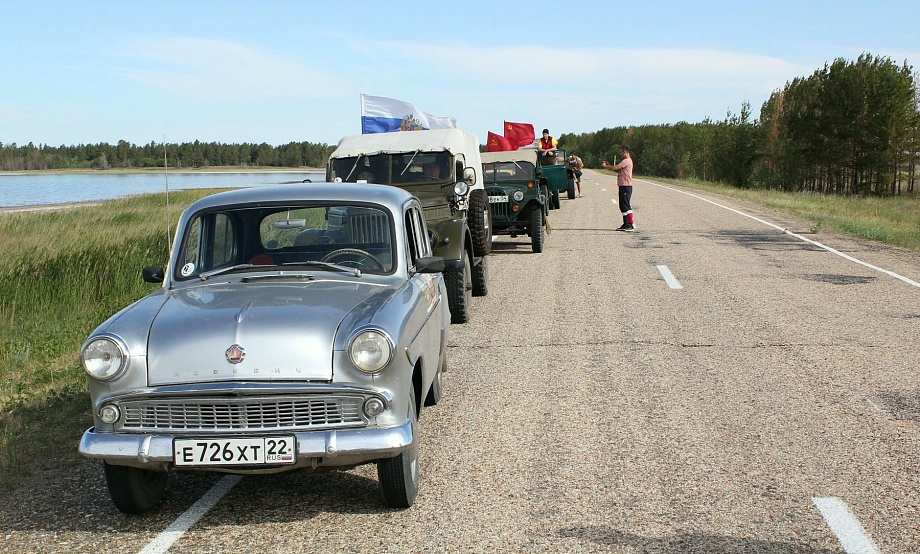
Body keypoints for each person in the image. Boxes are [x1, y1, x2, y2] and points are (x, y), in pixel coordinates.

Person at [602, 146, 635, 231]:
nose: (620, 154)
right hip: (622, 185)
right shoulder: (625, 161)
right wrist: (609, 165)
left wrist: (606, 166)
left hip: (626, 186)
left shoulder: (626, 161)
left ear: (625, 152)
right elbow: (615, 169)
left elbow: (614, 168)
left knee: (626, 205)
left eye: (621, 152)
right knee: (622, 206)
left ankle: (630, 224)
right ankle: (625, 223)